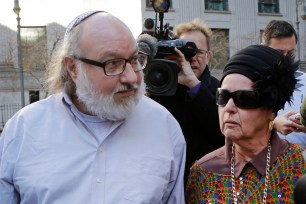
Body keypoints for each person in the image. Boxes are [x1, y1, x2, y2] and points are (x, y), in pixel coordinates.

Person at [0, 11, 186, 204]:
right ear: (73, 68)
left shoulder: (163, 127)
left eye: (135, 59)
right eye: (112, 64)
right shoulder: (22, 131)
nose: (132, 77)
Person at [186, 45, 306, 203]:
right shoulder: (202, 172)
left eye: (243, 98)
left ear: (271, 109)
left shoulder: (301, 164)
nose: (228, 108)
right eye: (222, 96)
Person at [149, 18, 224, 185]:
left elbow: (223, 134)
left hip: (207, 184)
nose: (191, 58)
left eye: (196, 52)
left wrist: (193, 84)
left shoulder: (221, 89)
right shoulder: (161, 88)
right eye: (185, 51)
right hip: (165, 182)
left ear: (208, 56)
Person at [262, 20, 306, 148]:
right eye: (279, 53)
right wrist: (273, 125)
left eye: (291, 53)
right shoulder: (248, 82)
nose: (286, 58)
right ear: (262, 48)